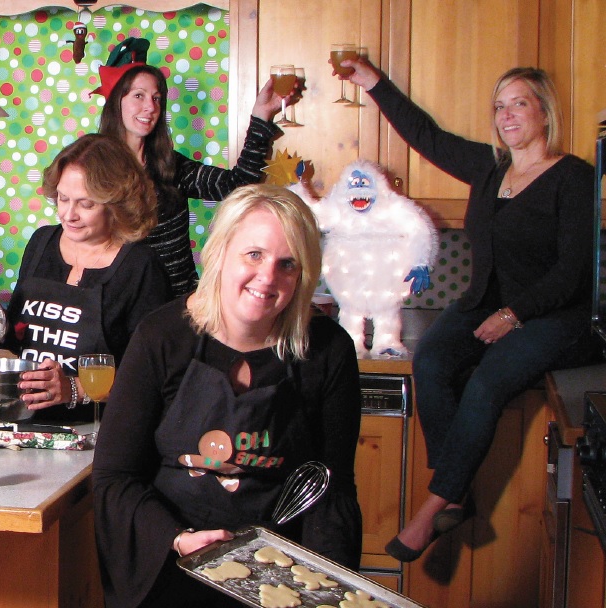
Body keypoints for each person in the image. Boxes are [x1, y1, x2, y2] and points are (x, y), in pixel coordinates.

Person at [340, 59, 600, 562]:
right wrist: (374, 83)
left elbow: (573, 273)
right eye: (499, 106)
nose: (506, 114)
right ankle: (457, 491)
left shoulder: (574, 178)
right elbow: (426, 135)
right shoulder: (489, 167)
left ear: (544, 113)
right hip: (483, 303)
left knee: (487, 379)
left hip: (558, 318)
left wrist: (514, 315)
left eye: (518, 103)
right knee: (432, 360)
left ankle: (434, 505)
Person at [92, 184, 362, 608]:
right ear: (219, 252)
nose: (267, 277)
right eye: (253, 255)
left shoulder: (327, 350)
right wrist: (177, 538)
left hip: (281, 570)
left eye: (287, 264)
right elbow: (114, 478)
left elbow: (331, 490)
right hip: (171, 559)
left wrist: (329, 595)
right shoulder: (162, 337)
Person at [0, 134, 171, 424]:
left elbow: (154, 374)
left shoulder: (141, 267)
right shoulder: (41, 243)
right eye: (63, 198)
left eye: (86, 204)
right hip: (23, 421)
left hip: (99, 429)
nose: (69, 214)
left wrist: (75, 389)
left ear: (117, 204)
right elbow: (17, 339)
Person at [94, 37, 298, 297]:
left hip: (176, 306)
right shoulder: (93, 168)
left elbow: (237, 186)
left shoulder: (170, 165)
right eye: (139, 96)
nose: (150, 107)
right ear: (115, 101)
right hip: (117, 304)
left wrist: (261, 116)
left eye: (157, 98)